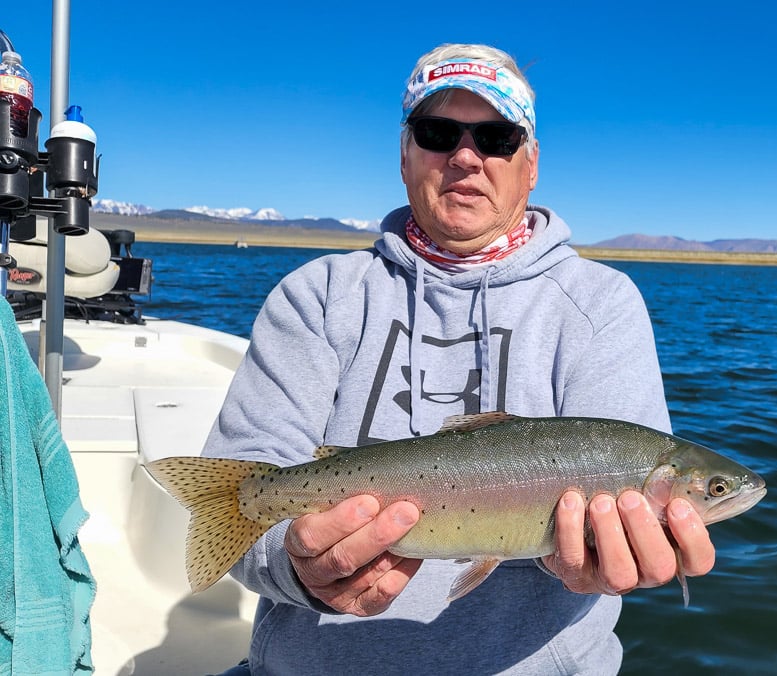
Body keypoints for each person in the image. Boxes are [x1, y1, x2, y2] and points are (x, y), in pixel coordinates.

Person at [203, 43, 716, 675]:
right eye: (438, 131)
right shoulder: (316, 296)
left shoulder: (602, 306)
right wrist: (298, 563)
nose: (465, 157)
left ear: (530, 165)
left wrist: (605, 563)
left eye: (497, 137)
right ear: (404, 153)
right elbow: (241, 508)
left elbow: (621, 545)